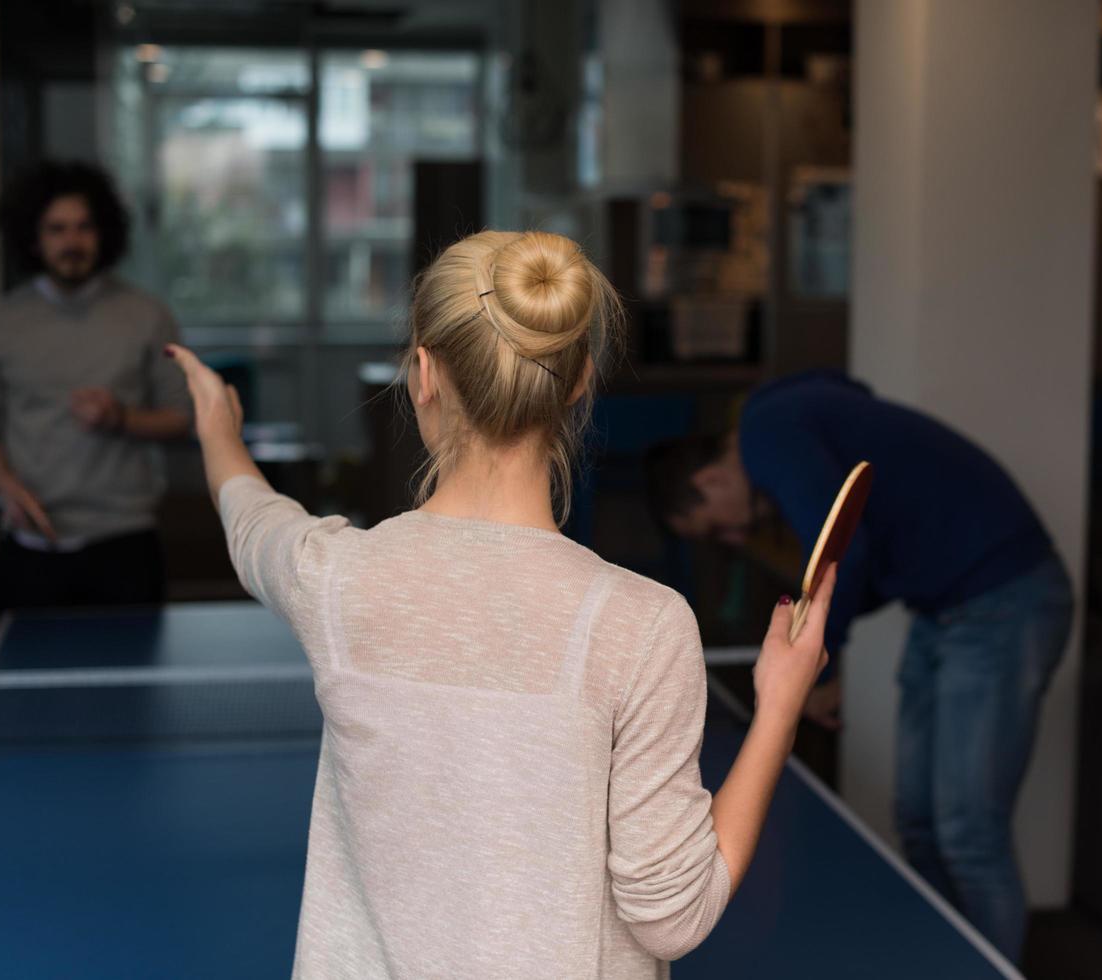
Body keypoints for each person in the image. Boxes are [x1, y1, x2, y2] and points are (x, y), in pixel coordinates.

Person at [164, 230, 834, 978]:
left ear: (423, 373)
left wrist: (217, 425)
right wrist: (778, 702)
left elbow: (252, 519)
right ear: (579, 380)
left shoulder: (332, 577)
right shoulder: (642, 624)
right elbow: (672, 916)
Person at [645, 370, 1074, 964]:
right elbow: (861, 555)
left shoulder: (766, 431)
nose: (735, 535)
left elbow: (843, 558)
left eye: (718, 525)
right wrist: (821, 663)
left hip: (1005, 599)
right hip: (944, 608)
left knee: (968, 835)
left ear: (711, 478)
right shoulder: (788, 416)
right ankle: (951, 964)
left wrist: (813, 674)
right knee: (919, 823)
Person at [0, 161, 191, 608]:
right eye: (57, 229)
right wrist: (5, 486)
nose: (72, 241)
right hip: (30, 547)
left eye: (84, 227)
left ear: (104, 234)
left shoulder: (148, 316)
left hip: (126, 541)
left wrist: (120, 417)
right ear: (33, 238)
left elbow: (182, 419)